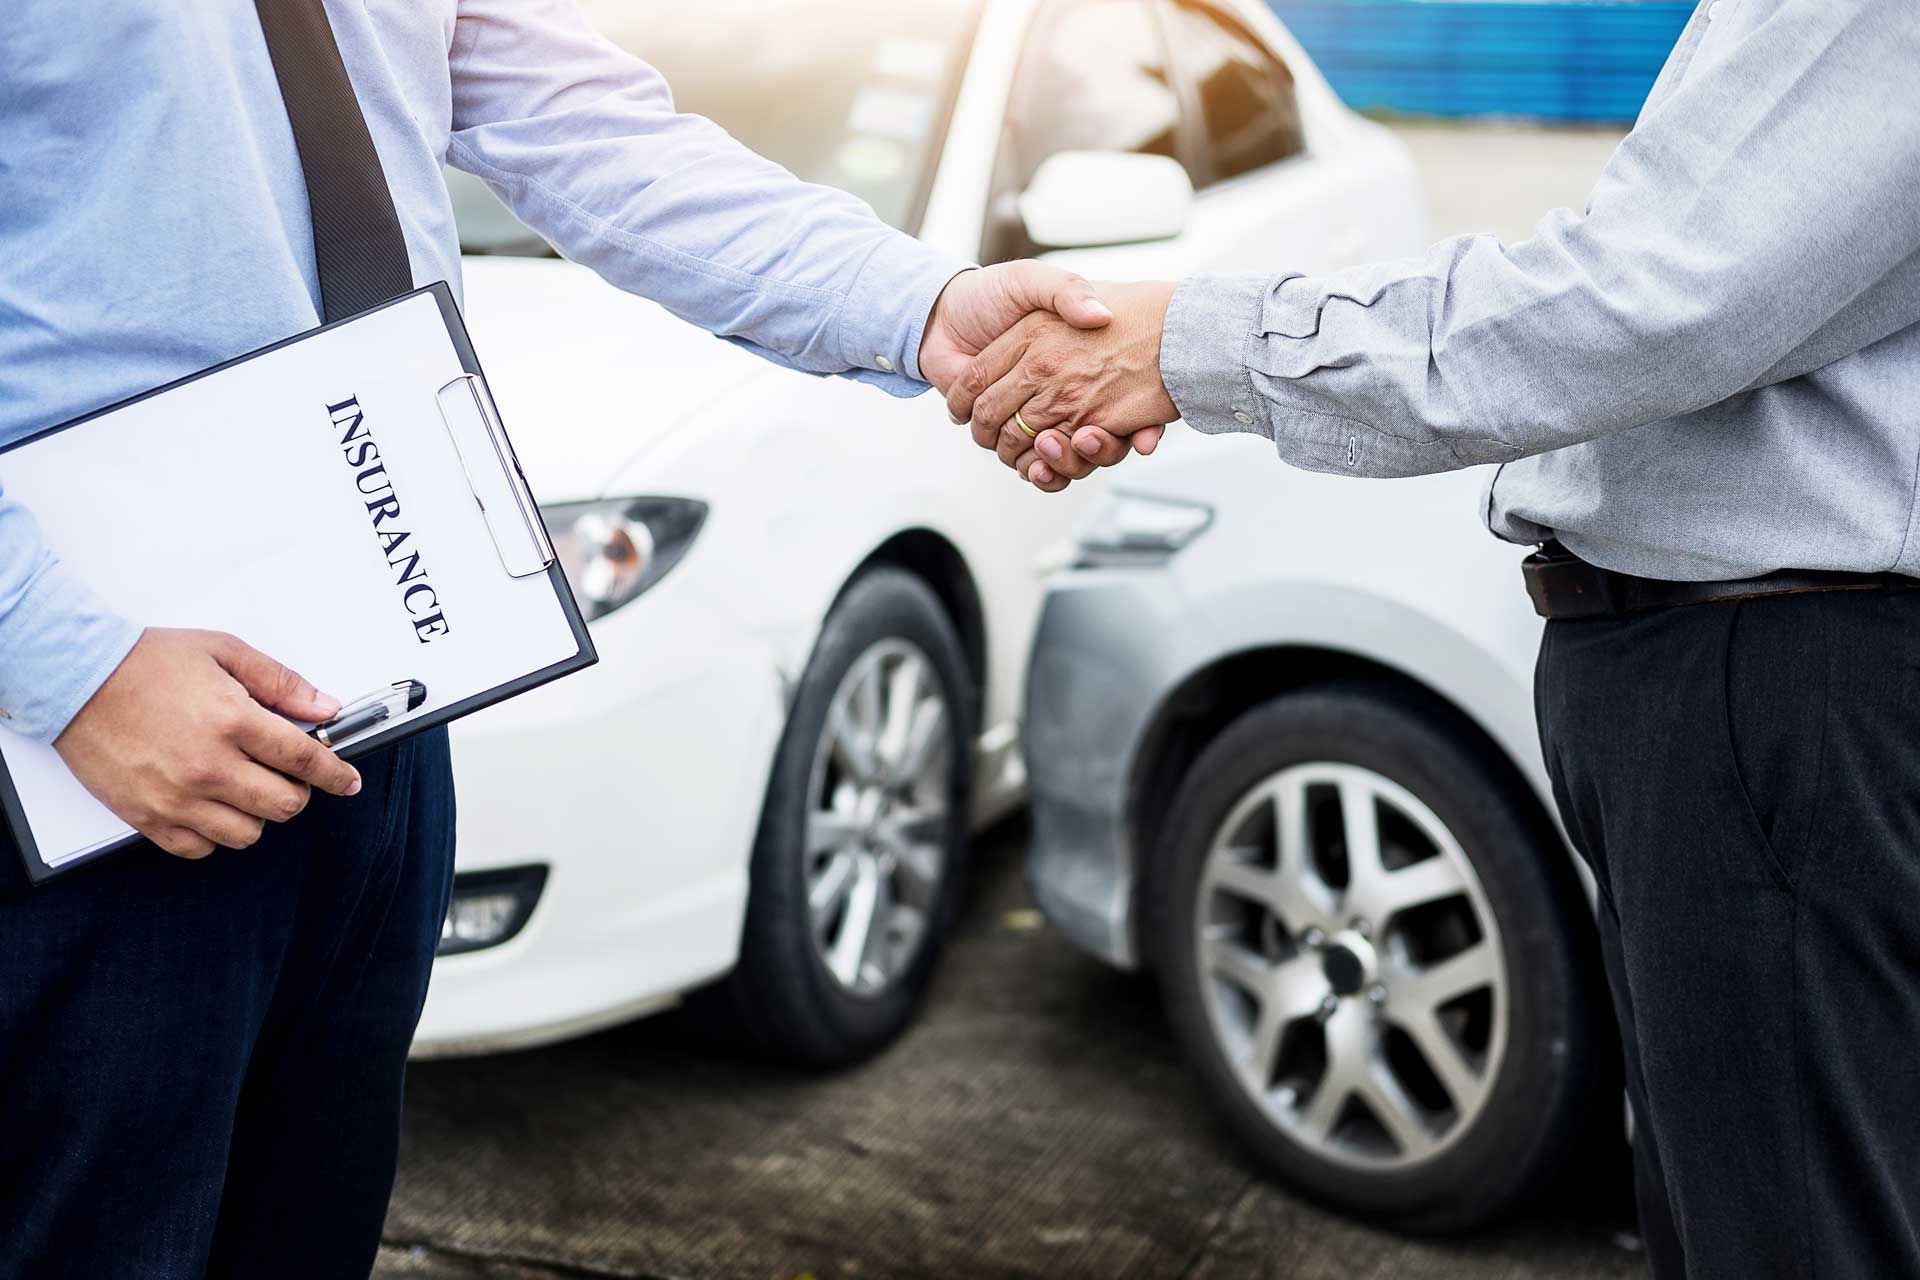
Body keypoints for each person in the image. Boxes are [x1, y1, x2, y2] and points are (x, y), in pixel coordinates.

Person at [0, 2, 1144, 1275]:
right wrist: (61, 656)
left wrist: (922, 305)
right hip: (91, 744)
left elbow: (579, 124)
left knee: (304, 1233)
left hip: (386, 701)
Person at [947, 1, 1920, 1276]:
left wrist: (1191, 343)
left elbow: (1647, 298)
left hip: (1779, 684)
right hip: (1767, 677)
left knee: (1788, 1230)